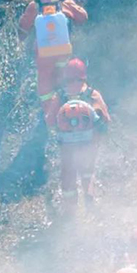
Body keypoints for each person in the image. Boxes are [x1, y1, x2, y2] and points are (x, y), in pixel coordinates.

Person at [45, 57, 110, 213]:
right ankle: (90, 202)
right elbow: (106, 119)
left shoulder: (60, 96)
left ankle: (70, 211)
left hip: (67, 144)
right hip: (89, 143)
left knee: (68, 174)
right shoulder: (93, 94)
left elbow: (50, 120)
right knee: (88, 172)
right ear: (84, 75)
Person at [18, 0, 88, 110]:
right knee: (63, 80)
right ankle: (67, 107)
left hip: (43, 55)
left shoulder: (34, 5)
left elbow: (23, 30)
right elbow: (83, 18)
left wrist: (22, 39)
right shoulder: (65, 2)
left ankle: (49, 115)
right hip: (63, 52)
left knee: (45, 88)